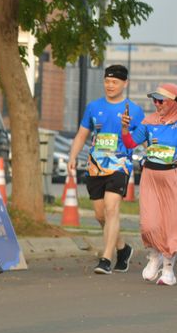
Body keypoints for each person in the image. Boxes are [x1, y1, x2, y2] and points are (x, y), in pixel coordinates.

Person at [68, 65, 145, 275]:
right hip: (95, 166)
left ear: (125, 83)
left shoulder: (134, 110)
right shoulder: (93, 107)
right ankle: (123, 248)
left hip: (120, 165)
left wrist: (152, 159)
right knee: (100, 215)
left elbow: (144, 137)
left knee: (112, 209)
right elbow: (82, 134)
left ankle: (106, 259)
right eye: (107, 81)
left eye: (115, 82)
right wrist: (72, 156)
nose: (110, 85)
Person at [121, 83, 177, 285]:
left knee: (170, 224)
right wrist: (124, 128)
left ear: (173, 102)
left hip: (172, 178)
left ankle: (168, 269)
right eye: (155, 100)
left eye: (161, 101)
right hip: (150, 177)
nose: (157, 104)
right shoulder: (149, 121)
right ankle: (154, 256)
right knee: (148, 223)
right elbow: (130, 143)